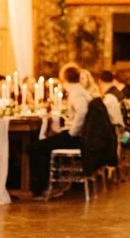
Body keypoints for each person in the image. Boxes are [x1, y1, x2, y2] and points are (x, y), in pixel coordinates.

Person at [27, 66, 90, 197]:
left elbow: (82, 112)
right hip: (79, 135)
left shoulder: (76, 92)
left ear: (64, 79)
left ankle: (40, 188)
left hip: (76, 137)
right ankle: (49, 185)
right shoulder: (80, 90)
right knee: (41, 144)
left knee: (35, 148)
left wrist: (72, 132)